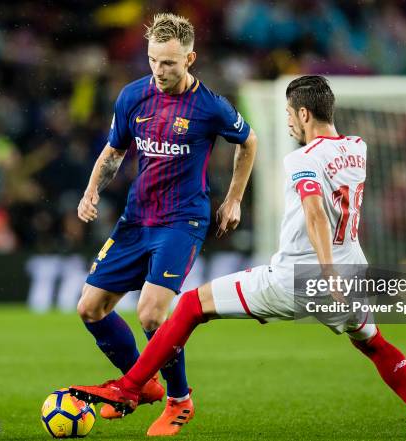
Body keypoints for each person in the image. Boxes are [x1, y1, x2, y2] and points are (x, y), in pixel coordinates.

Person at [71, 76, 406, 437]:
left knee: (190, 307)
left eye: (288, 112)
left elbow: (314, 211)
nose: (286, 120)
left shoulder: (301, 159)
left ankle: (132, 387)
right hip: (351, 276)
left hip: (299, 277)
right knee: (374, 344)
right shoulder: (358, 148)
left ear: (303, 115)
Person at [75, 12, 257, 436]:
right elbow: (113, 151)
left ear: (190, 58)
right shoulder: (133, 96)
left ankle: (179, 400)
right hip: (136, 220)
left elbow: (248, 141)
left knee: (153, 316)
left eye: (170, 62)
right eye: (155, 60)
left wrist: (233, 199)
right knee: (90, 308)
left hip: (181, 221)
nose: (160, 70)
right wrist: (90, 192)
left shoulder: (210, 106)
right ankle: (144, 385)